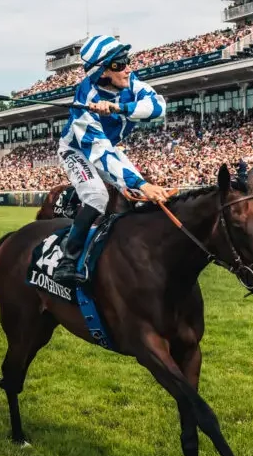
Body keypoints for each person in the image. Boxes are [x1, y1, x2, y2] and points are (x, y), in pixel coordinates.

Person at [51, 34, 170, 285]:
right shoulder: (85, 103)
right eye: (119, 64)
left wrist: (120, 108)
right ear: (103, 72)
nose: (128, 69)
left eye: (127, 61)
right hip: (79, 151)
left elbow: (158, 106)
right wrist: (140, 184)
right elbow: (102, 155)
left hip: (108, 146)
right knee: (98, 196)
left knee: (132, 190)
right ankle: (67, 262)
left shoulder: (129, 80)